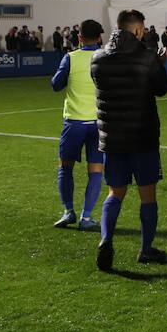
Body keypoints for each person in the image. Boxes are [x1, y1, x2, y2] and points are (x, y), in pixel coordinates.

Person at [92, 9, 167, 271]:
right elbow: (162, 89)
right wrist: (159, 64)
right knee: (147, 196)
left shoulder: (98, 58)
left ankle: (106, 239)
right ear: (137, 30)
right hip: (143, 137)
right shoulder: (147, 57)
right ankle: (146, 249)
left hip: (112, 138)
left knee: (115, 193)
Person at [49, 19, 106, 230]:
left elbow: (56, 85)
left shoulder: (70, 58)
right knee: (96, 170)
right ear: (100, 37)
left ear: (79, 37)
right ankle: (86, 216)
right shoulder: (106, 57)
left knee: (65, 168)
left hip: (74, 122)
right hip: (100, 123)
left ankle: (68, 212)